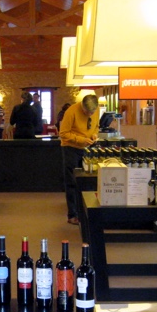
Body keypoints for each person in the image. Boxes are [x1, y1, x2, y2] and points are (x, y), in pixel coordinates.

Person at [59, 94, 100, 225]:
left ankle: (86, 212)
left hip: (86, 149)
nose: (89, 114)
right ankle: (72, 215)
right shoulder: (71, 112)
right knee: (72, 182)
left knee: (87, 181)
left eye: (92, 112)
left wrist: (94, 135)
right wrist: (81, 140)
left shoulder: (96, 110)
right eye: (86, 112)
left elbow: (96, 126)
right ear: (82, 106)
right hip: (70, 148)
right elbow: (63, 133)